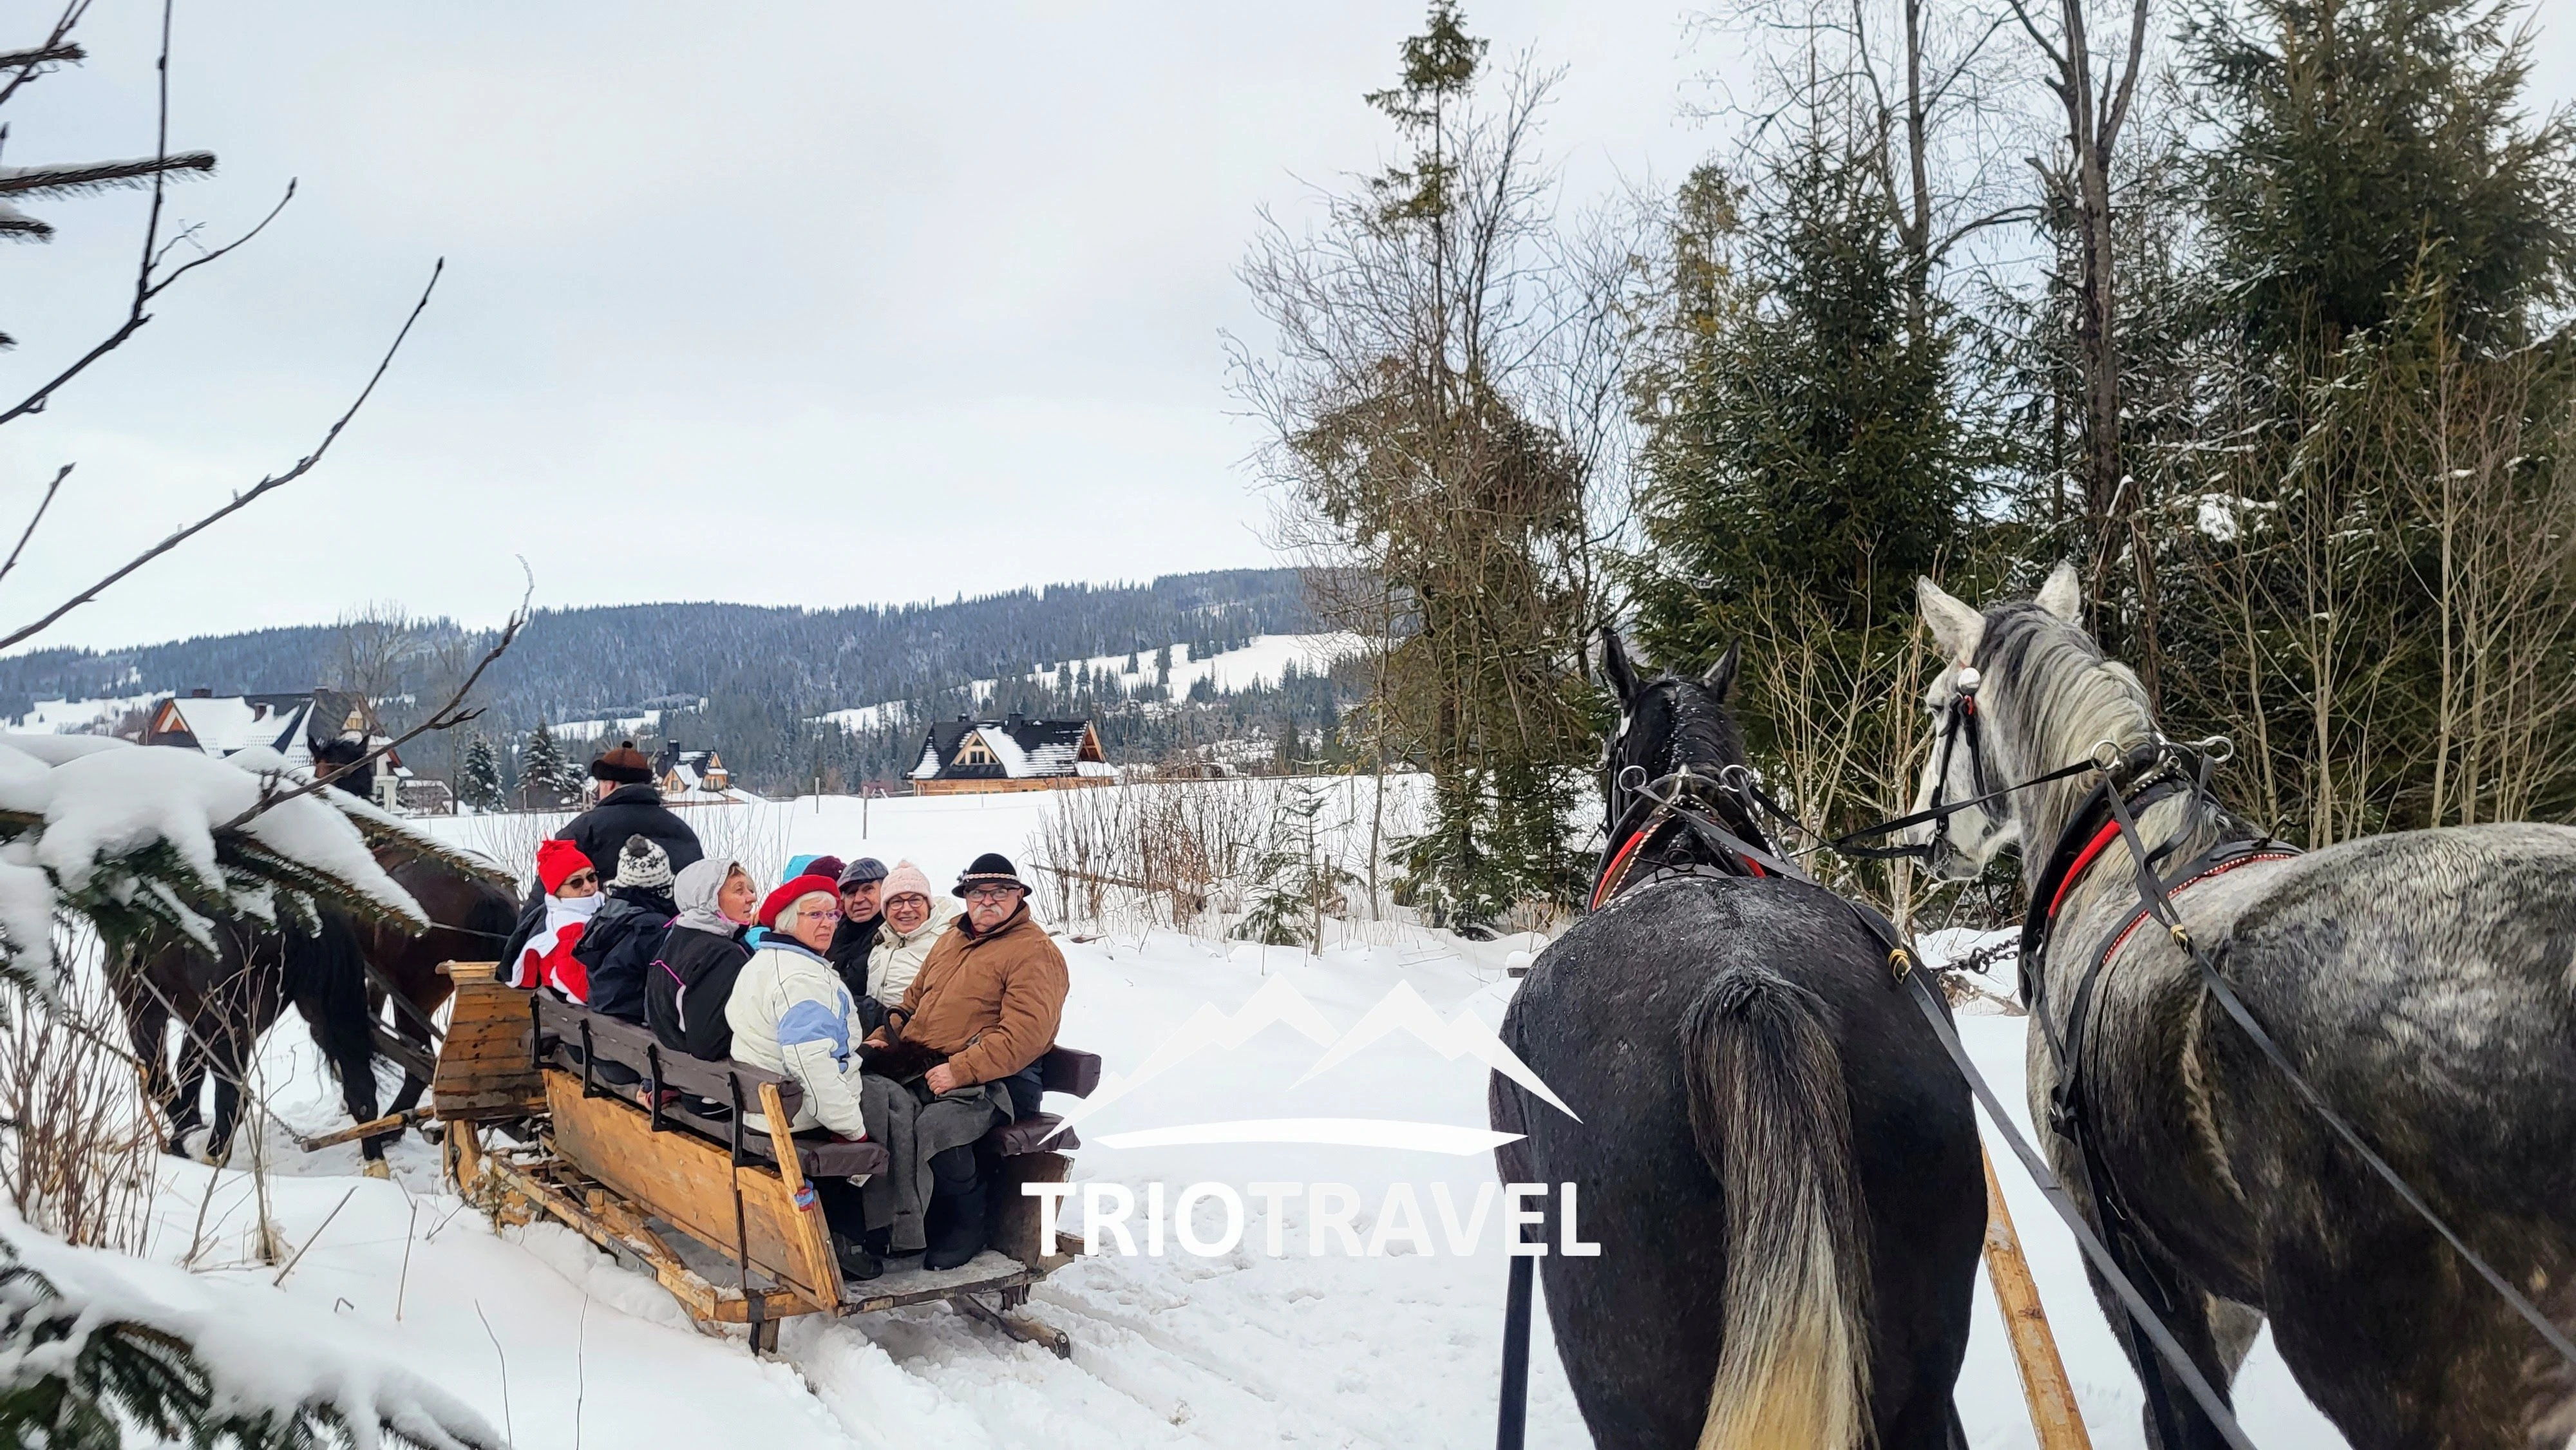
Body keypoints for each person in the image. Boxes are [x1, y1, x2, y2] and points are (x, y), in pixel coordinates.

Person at [864, 852, 1068, 1270]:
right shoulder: (952, 939)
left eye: (999, 892)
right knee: (882, 1109)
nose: (987, 901)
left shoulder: (1034, 952)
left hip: (1002, 1080)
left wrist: (962, 1069)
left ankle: (967, 1222)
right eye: (977, 893)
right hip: (928, 1063)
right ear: (966, 897)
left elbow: (1026, 1035)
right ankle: (901, 1222)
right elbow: (911, 1004)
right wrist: (882, 1038)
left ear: (1018, 896)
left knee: (938, 1125)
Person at [724, 874, 882, 1281]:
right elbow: (812, 1067)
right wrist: (853, 1131)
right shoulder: (802, 980)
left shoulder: (766, 962)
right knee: (891, 1115)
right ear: (788, 922)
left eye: (832, 913)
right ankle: (855, 1241)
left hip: (762, 1105)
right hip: (793, 1115)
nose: (829, 923)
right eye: (815, 915)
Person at [647, 858, 758, 1060]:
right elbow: (709, 1045)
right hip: (715, 1084)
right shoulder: (723, 956)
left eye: (749, 889)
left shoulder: (678, 939)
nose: (752, 897)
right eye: (739, 891)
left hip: (678, 1071)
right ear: (709, 899)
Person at [558, 742, 703, 883]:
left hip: (603, 908)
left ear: (610, 785)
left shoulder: (582, 830)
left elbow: (549, 887)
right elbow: (699, 889)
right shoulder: (681, 830)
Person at [575, 835, 677, 1025]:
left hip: (606, 1031)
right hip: (637, 1036)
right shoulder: (654, 928)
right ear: (663, 888)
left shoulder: (605, 916)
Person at [864, 861, 960, 1014]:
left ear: (929, 904)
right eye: (897, 902)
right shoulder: (882, 943)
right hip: (881, 1033)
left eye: (915, 900)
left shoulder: (947, 943)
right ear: (886, 909)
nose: (906, 909)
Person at [513, 839, 601, 1001]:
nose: (588, 886)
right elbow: (583, 989)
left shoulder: (584, 912)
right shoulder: (570, 928)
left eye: (591, 877)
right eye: (576, 883)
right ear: (557, 890)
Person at [828, 858, 888, 1003]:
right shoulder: (833, 933)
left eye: (868, 889)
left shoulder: (892, 934)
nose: (859, 899)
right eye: (851, 893)